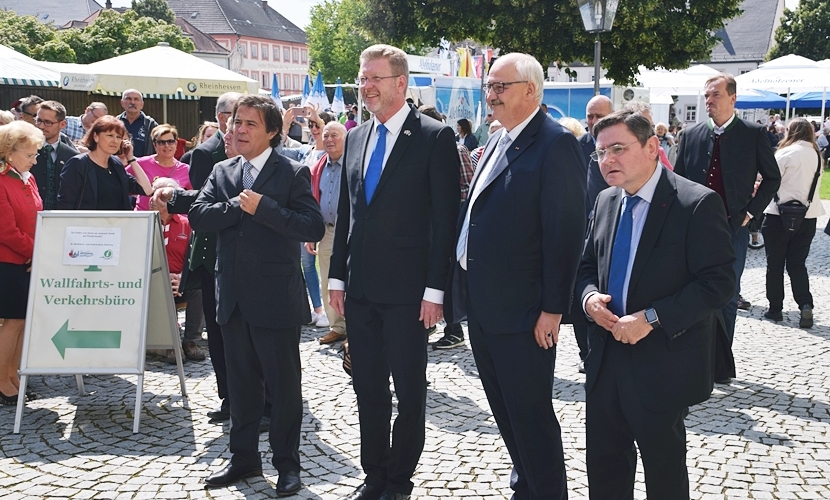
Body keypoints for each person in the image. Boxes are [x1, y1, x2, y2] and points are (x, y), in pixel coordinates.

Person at [443, 52, 586, 500]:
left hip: (524, 311)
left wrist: (552, 309)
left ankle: (546, 492)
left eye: (500, 87)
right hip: (486, 305)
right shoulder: (500, 138)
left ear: (531, 91)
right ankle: (525, 484)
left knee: (530, 414)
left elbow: (564, 234)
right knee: (505, 409)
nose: (491, 95)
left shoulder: (555, 142)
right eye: (489, 87)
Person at [577, 109, 736, 500]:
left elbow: (718, 284)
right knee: (605, 469)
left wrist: (651, 318)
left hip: (661, 363)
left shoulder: (695, 203)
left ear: (652, 147)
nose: (607, 160)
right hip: (604, 361)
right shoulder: (605, 201)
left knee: (664, 474)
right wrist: (588, 299)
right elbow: (584, 267)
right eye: (600, 152)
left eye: (618, 148)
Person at [328, 44, 460, 500]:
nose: (365, 86)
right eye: (362, 78)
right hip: (361, 290)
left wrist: (436, 289)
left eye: (374, 79)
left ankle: (399, 479)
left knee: (409, 390)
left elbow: (445, 220)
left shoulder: (434, 137)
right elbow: (348, 211)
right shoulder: (357, 135)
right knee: (367, 387)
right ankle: (375, 474)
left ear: (400, 84)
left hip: (409, 293)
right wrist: (337, 277)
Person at [189, 95, 324, 496]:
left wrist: (264, 208)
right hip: (231, 299)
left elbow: (311, 227)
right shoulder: (222, 170)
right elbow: (199, 215)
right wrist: (237, 206)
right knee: (242, 388)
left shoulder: (292, 172)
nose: (239, 130)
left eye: (249, 124)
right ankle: (243, 459)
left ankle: (287, 465)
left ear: (271, 131)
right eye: (235, 123)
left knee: (283, 389)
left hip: (275, 300)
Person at [674, 73, 780, 383]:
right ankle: (690, 359)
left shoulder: (753, 133)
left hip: (733, 227)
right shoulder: (691, 135)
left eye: (715, 95)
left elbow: (772, 178)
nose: (709, 101)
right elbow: (677, 180)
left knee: (727, 294)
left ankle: (719, 363)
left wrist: (750, 213)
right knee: (688, 289)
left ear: (732, 98)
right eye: (706, 96)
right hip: (692, 229)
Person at [151, 92, 240, 423]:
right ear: (220, 117)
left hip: (242, 260)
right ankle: (229, 397)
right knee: (218, 332)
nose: (236, 129)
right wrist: (173, 197)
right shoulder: (205, 154)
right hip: (211, 253)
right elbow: (205, 202)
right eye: (233, 118)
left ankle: (251, 399)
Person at [761, 118, 825, 327]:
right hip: (807, 215)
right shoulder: (816, 155)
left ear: (791, 131)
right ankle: (805, 304)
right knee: (797, 264)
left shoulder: (785, 153)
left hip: (778, 215)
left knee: (775, 264)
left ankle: (775, 308)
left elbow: (770, 180)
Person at [0, 121, 45, 405]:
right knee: (13, 322)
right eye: (29, 154)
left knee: (23, 322)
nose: (34, 159)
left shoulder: (26, 178)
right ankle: (1, 381)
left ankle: (12, 375)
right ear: (10, 152)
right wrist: (35, 252)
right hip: (9, 263)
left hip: (27, 261)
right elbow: (7, 231)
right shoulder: (2, 180)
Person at [149, 177, 206, 363]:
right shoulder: (144, 222)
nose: (159, 201)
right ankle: (169, 344)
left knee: (198, 287)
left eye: (165, 196)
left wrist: (183, 277)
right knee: (158, 291)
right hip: (153, 280)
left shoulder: (186, 223)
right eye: (156, 194)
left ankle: (191, 340)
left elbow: (195, 257)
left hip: (181, 279)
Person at [57, 115, 153, 210]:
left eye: (119, 137)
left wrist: (131, 158)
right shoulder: (78, 164)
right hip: (87, 224)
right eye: (110, 135)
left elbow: (147, 190)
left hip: (117, 224)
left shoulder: (116, 164)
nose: (115, 141)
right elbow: (65, 204)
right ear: (96, 136)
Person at [308, 122, 348, 345]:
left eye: (334, 135)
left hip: (349, 232)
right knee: (327, 280)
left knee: (350, 281)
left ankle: (355, 328)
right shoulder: (319, 166)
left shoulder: (354, 164)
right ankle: (338, 326)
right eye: (326, 136)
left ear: (345, 138)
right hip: (326, 231)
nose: (329, 139)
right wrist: (311, 233)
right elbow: (313, 200)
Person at [126, 124, 192, 211]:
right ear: (154, 145)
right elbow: (122, 182)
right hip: (145, 216)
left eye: (170, 141)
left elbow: (193, 195)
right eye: (161, 142)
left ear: (176, 144)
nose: (167, 145)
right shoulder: (140, 163)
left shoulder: (186, 169)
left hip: (173, 220)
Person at [31, 101, 80, 210]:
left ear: (62, 124)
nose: (41, 126)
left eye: (48, 122)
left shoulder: (72, 156)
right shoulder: (24, 151)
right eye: (38, 121)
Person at [581, 95, 614, 211]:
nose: (594, 121)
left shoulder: (621, 145)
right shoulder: (575, 145)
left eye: (599, 116)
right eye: (590, 116)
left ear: (612, 115)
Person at [118, 89, 159, 157]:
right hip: (118, 165)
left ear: (142, 105)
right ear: (122, 103)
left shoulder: (151, 125)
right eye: (128, 99)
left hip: (143, 166)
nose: (132, 102)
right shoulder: (115, 123)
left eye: (136, 99)